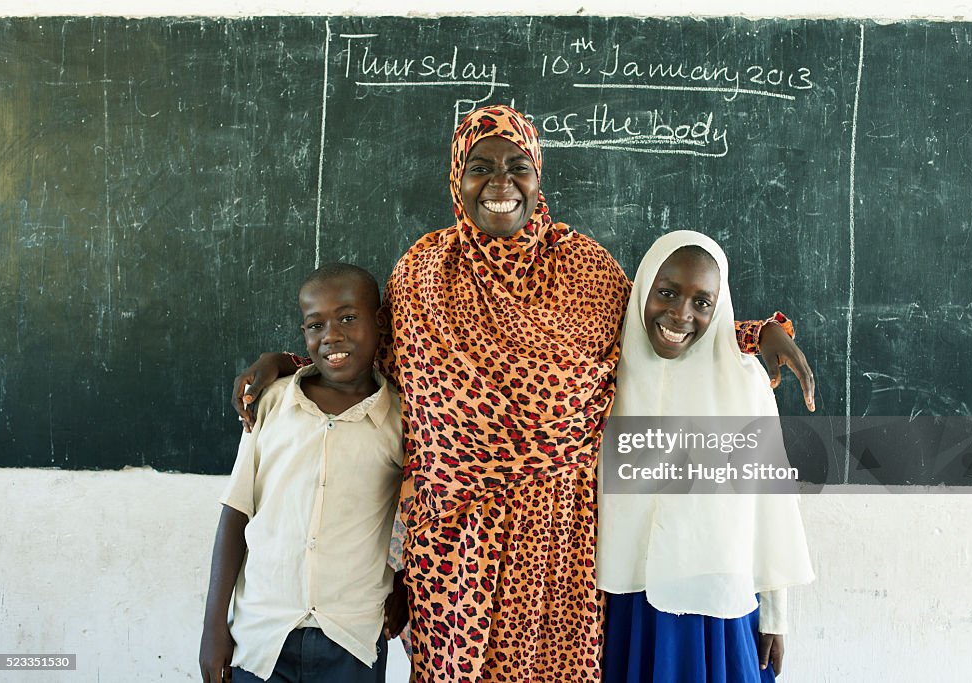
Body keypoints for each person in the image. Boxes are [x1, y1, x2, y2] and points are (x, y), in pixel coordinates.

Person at [231, 106, 816, 682]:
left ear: (539, 177)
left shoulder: (585, 270)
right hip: (451, 544)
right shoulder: (423, 272)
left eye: (518, 166)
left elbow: (658, 326)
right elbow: (366, 354)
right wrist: (285, 362)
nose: (500, 183)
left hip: (560, 539)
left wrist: (755, 333)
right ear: (457, 178)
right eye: (480, 166)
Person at [597, 231, 814, 682]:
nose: (680, 315)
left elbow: (769, 506)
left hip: (716, 602)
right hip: (626, 602)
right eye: (667, 293)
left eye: (702, 303)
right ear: (642, 291)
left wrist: (775, 615)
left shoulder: (745, 383)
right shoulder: (601, 379)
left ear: (720, 310)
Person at [199, 263, 408, 683]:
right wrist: (213, 627)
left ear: (379, 323)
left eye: (348, 318)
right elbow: (236, 513)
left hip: (351, 638)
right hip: (262, 637)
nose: (331, 335)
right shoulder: (272, 403)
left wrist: (402, 587)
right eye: (316, 325)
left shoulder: (401, 421)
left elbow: (416, 518)